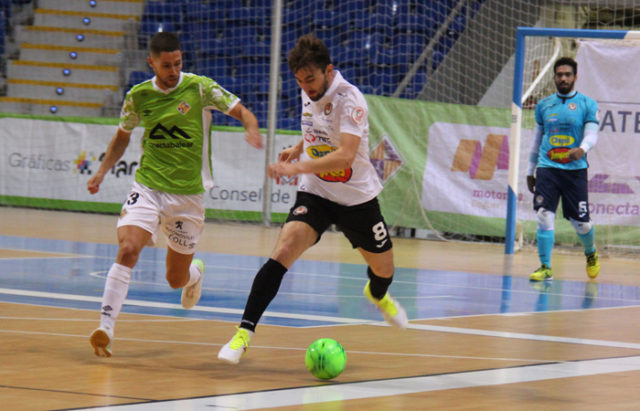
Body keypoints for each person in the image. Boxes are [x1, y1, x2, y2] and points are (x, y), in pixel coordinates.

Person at [217, 34, 408, 365]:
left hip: (356, 199)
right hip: (316, 192)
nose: (306, 87)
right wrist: (297, 147)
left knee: (384, 269)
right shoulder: (309, 92)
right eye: (300, 81)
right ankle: (243, 333)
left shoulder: (350, 99)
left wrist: (297, 165)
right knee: (284, 250)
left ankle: (376, 294)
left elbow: (346, 156)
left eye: (311, 79)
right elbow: (316, 132)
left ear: (329, 71)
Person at [87, 31, 263, 357]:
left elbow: (241, 110)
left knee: (174, 278)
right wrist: (101, 171)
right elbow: (122, 137)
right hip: (149, 187)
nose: (173, 70)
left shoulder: (199, 87)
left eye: (177, 63)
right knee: (128, 247)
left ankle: (195, 273)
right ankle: (105, 328)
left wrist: (251, 128)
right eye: (166, 65)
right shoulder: (138, 96)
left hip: (188, 198)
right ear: (151, 62)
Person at [526, 56, 600, 282]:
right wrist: (531, 170)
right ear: (555, 77)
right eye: (560, 75)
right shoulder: (544, 105)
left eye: (568, 74)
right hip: (548, 168)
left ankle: (590, 252)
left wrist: (582, 148)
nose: (563, 78)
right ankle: (545, 266)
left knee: (582, 224)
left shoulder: (588, 104)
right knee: (543, 215)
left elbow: (592, 134)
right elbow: (537, 138)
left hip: (575, 170)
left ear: (575, 77)